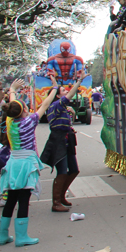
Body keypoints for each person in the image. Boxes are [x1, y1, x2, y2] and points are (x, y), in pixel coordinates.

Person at [0, 76, 58, 246]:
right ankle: (22, 237)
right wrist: (54, 88)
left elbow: (13, 105)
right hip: (26, 164)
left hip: (13, 163)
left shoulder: (10, 121)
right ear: (24, 110)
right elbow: (45, 104)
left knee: (11, 200)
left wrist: (12, 90)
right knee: (24, 200)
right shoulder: (29, 122)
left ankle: (3, 235)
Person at [40, 70, 88, 212]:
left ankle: (61, 196)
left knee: (74, 170)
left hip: (67, 138)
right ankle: (56, 202)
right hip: (59, 139)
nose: (65, 91)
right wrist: (79, 81)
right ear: (57, 95)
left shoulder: (61, 107)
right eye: (62, 90)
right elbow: (71, 95)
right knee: (62, 171)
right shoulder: (55, 105)